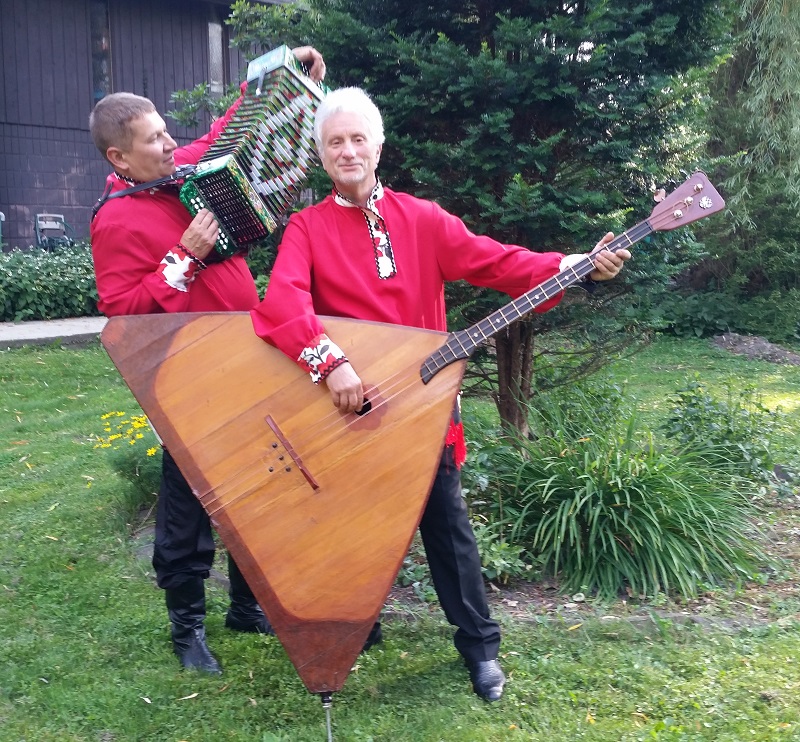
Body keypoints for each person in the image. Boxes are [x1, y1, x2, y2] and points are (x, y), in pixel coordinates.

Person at [250, 86, 631, 701]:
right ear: (321, 156)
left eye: (357, 139)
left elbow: (497, 261)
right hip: (347, 406)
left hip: (423, 408)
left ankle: (480, 649)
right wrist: (330, 364)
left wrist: (577, 261)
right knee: (352, 527)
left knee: (447, 530)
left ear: (378, 146)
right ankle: (356, 626)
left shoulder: (421, 219)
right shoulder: (308, 227)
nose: (347, 151)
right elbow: (282, 302)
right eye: (334, 142)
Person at [88, 46, 327, 675]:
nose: (171, 146)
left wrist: (288, 73)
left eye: (168, 132)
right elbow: (123, 314)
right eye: (154, 140)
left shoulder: (184, 169)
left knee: (260, 486)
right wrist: (184, 256)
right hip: (189, 376)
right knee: (191, 501)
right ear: (119, 157)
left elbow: (228, 130)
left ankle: (247, 608)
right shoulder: (115, 223)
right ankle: (187, 629)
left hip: (250, 355)